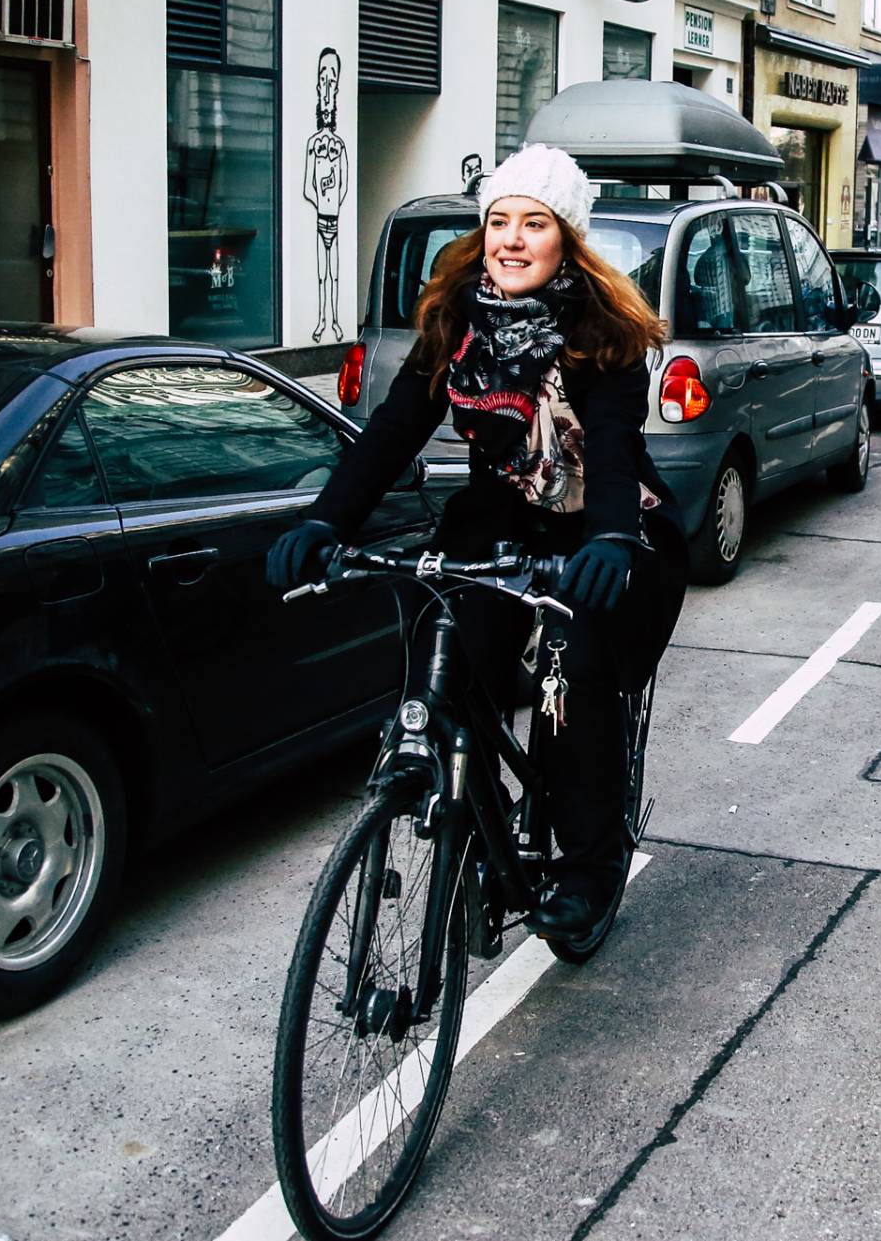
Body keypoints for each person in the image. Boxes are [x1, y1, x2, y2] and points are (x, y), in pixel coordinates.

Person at [267, 144, 687, 941]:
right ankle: (473, 823)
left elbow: (609, 437)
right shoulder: (457, 322)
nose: (512, 238)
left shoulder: (603, 335)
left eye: (535, 222)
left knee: (573, 681)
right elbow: (391, 431)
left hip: (607, 530)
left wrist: (606, 537)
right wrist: (328, 520)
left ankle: (589, 869)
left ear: (567, 237)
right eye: (499, 221)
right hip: (500, 522)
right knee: (446, 659)